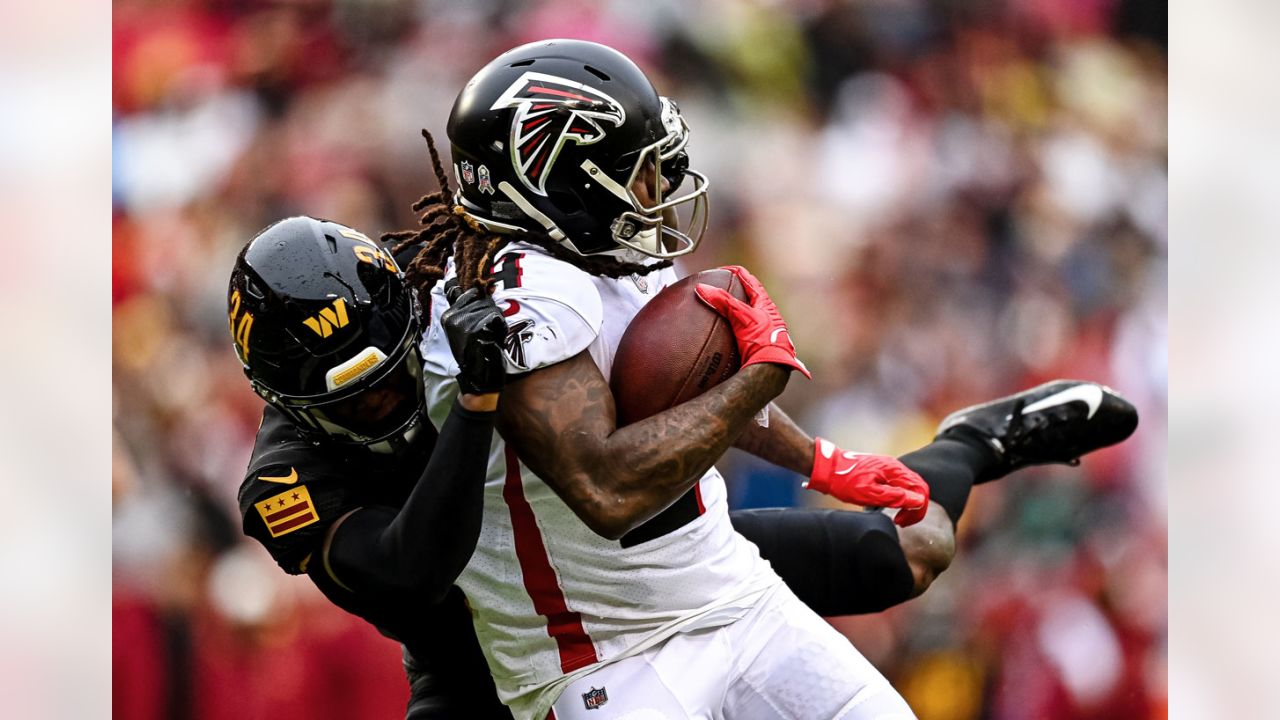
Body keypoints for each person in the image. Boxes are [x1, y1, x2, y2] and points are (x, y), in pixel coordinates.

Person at [383, 39, 1137, 720]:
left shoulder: (608, 251)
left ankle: (969, 445)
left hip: (729, 592)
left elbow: (684, 397)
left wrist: (822, 462)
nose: (656, 187)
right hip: (606, 657)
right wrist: (759, 376)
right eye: (633, 170)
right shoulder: (503, 301)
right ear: (553, 182)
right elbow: (607, 491)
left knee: (909, 576)